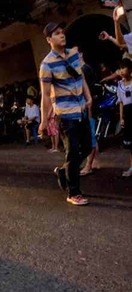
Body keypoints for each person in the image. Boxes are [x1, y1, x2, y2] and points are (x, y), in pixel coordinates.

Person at [38, 22, 92, 206]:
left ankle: (63, 171)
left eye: (62, 32)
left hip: (81, 109)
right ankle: (73, 193)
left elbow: (80, 77)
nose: (62, 35)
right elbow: (45, 95)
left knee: (87, 147)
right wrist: (44, 120)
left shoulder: (73, 54)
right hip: (66, 114)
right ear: (49, 40)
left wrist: (88, 97)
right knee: (73, 153)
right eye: (57, 33)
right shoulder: (47, 64)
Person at [117, 58, 132, 177]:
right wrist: (122, 118)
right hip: (127, 114)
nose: (121, 71)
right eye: (120, 68)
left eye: (124, 68)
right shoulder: (120, 85)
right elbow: (121, 103)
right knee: (131, 145)